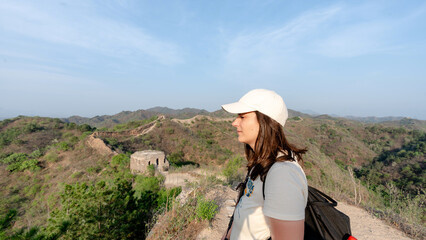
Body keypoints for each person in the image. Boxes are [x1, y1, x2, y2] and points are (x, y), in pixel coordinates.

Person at [221, 89, 308, 240]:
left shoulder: (282, 173)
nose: (235, 122)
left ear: (264, 121)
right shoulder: (262, 163)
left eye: (242, 116)